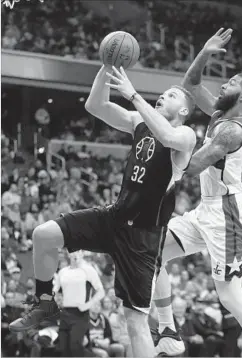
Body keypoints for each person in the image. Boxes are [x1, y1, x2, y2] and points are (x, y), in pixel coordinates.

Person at [9, 60, 196, 356]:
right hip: (113, 217)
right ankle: (44, 301)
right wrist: (106, 65)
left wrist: (134, 94)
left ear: (184, 111)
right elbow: (96, 106)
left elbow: (168, 136)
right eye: (162, 94)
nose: (162, 97)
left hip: (142, 238)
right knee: (43, 235)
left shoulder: (186, 136)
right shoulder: (139, 122)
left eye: (172, 96)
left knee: (134, 321)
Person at [152, 28, 242, 358]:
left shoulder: (232, 130)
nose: (224, 85)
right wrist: (204, 52)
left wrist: (163, 134)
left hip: (227, 213)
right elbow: (188, 85)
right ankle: (167, 331)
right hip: (206, 210)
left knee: (230, 295)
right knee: (154, 251)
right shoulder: (219, 114)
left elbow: (190, 167)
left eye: (231, 84)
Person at [54, 250, 105, 357]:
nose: (75, 254)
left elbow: (101, 292)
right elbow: (55, 291)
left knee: (75, 347)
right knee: (63, 349)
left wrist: (88, 304)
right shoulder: (63, 272)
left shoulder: (89, 270)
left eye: (78, 251)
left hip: (80, 314)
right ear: (68, 254)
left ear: (82, 254)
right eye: (72, 251)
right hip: (65, 312)